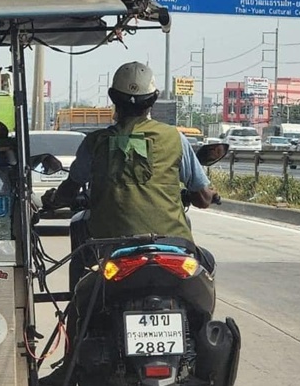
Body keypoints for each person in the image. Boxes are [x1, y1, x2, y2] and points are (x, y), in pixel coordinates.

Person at [39, 62, 218, 385]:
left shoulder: (94, 143)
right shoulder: (175, 139)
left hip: (110, 251)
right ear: (154, 99)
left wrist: (53, 201)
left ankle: (71, 360)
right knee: (207, 264)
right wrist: (208, 193)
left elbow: (69, 190)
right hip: (173, 245)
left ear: (113, 98)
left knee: (81, 285)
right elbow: (203, 196)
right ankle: (201, 347)